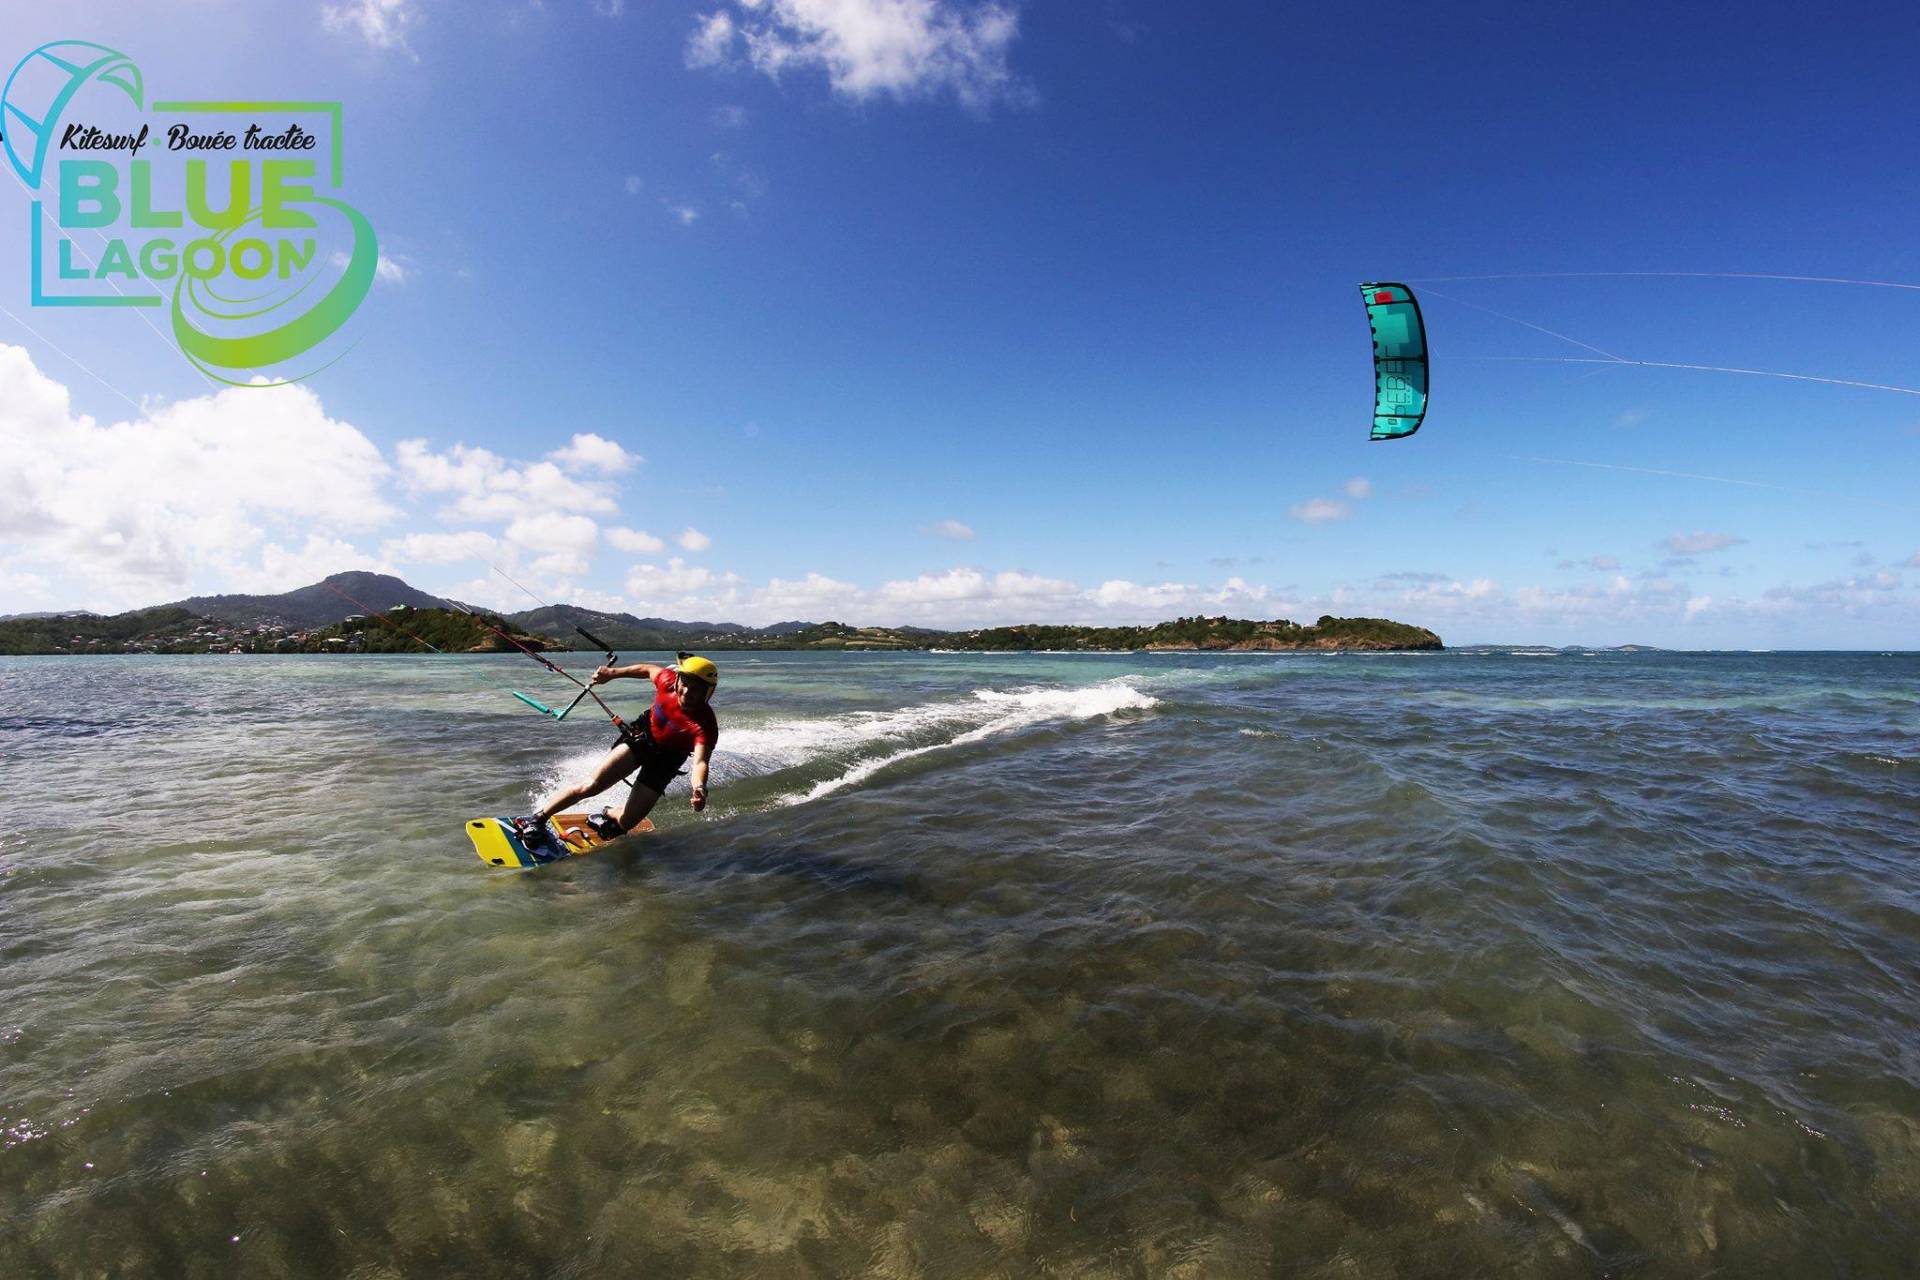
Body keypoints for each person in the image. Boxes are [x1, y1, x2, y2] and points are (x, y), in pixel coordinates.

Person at [514, 654, 720, 845]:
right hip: (642, 738)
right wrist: (612, 673)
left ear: (707, 693)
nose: (686, 692)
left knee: (625, 824)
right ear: (677, 680)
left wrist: (699, 788)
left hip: (667, 761)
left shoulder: (705, 726)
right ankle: (537, 819)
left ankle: (609, 814)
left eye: (696, 689)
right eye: (685, 684)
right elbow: (647, 669)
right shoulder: (667, 681)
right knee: (591, 786)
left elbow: (700, 762)